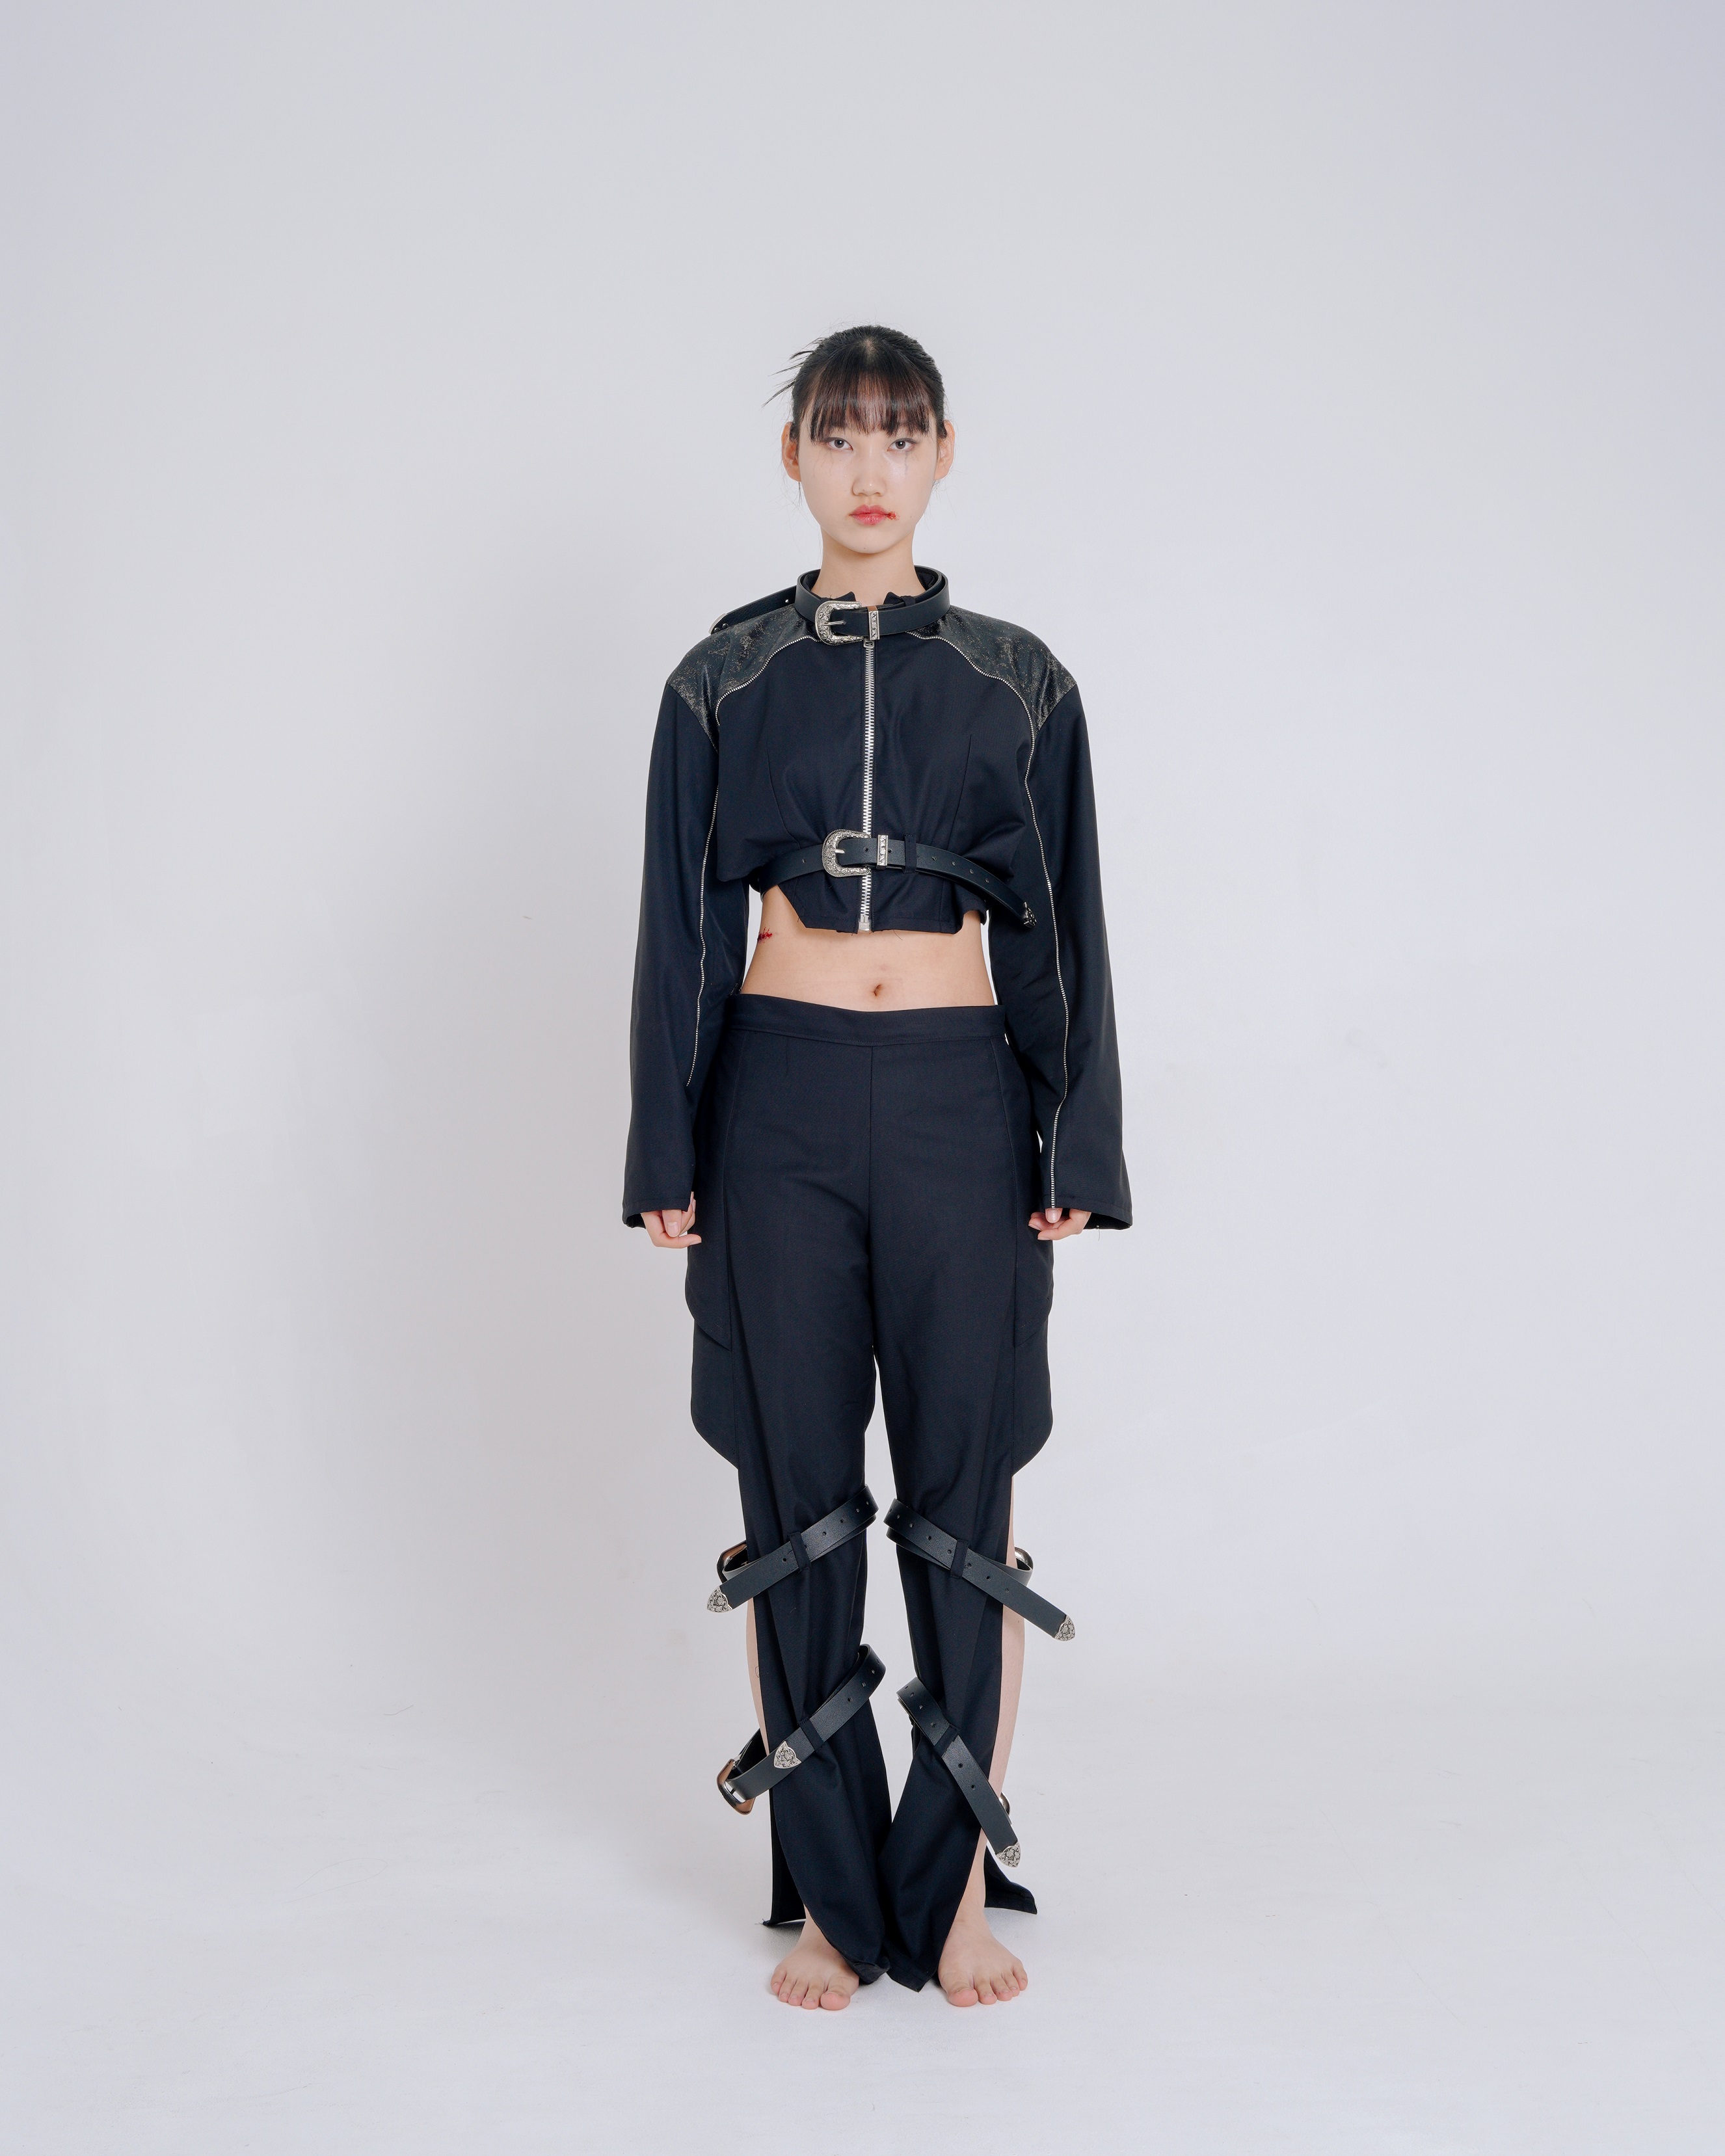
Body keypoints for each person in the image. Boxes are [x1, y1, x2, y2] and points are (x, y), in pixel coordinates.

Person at [622, 325, 1129, 2008]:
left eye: (898, 436)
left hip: (956, 1103)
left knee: (964, 1501)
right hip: (775, 1099)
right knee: (796, 1502)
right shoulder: (721, 677)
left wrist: (1072, 1131)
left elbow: (1062, 923)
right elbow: (679, 926)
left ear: (942, 453)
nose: (868, 468)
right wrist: (667, 1138)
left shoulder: (1017, 679)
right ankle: (836, 1895)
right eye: (838, 435)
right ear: (792, 457)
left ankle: (955, 1878)